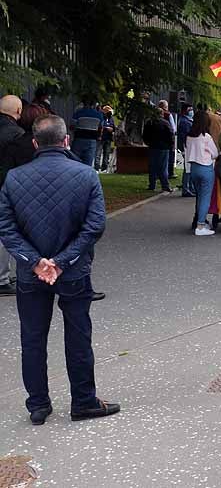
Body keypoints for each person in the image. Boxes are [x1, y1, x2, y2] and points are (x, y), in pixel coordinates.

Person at [0, 115, 120, 426]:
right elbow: (94, 226)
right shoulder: (85, 175)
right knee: (78, 335)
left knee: (33, 339)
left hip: (31, 273)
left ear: (35, 143)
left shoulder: (14, 178)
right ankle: (83, 401)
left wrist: (35, 261)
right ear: (66, 141)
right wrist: (63, 261)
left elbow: (7, 228)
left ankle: (38, 405)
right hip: (74, 271)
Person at [0, 95, 34, 297]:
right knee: (4, 234)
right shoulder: (16, 133)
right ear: (19, 111)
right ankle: (2, 279)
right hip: (4, 187)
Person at [184, 110, 220, 237]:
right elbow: (215, 153)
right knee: (205, 198)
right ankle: (200, 225)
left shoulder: (189, 136)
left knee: (199, 196)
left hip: (193, 168)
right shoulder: (206, 137)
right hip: (206, 168)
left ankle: (199, 221)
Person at [142, 108, 174, 193]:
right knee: (163, 167)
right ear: (162, 114)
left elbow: (145, 135)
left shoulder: (149, 123)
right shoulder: (165, 123)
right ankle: (165, 185)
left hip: (153, 146)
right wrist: (170, 145)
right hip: (163, 147)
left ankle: (152, 185)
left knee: (152, 167)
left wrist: (148, 143)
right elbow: (170, 135)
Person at [69, 97, 103, 168]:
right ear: (93, 104)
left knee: (75, 162)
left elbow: (72, 127)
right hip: (92, 140)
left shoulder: (78, 113)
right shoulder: (98, 115)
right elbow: (100, 128)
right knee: (88, 164)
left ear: (83, 103)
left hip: (79, 139)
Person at [177, 103, 195, 197]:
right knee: (188, 169)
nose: (192, 111)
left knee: (189, 168)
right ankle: (186, 188)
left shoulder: (187, 120)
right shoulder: (185, 121)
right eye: (190, 110)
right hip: (187, 147)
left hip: (187, 147)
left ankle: (190, 187)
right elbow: (185, 135)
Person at [96, 105, 115, 172]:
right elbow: (99, 126)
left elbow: (113, 128)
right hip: (101, 138)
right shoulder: (101, 118)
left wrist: (111, 129)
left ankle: (104, 168)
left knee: (106, 154)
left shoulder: (111, 119)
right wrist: (106, 127)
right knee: (98, 153)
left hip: (108, 138)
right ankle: (96, 168)